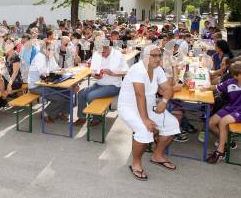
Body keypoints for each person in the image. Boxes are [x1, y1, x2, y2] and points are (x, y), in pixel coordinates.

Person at [118, 45, 180, 181]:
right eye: (154, 56)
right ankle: (136, 163)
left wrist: (163, 101)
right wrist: (145, 120)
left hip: (149, 106)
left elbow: (168, 89)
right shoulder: (137, 70)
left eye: (159, 55)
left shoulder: (158, 69)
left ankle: (157, 155)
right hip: (129, 107)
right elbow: (140, 95)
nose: (158, 59)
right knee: (144, 130)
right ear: (145, 57)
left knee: (172, 125)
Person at [204, 62, 241, 164]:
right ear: (235, 76)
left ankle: (220, 152)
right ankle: (227, 142)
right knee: (210, 123)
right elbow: (215, 87)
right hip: (232, 108)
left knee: (223, 121)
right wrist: (203, 87)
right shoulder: (230, 83)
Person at [75, 40, 128, 126]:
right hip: (99, 84)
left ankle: (97, 118)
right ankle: (82, 117)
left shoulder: (118, 55)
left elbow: (126, 71)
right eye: (100, 52)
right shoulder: (97, 54)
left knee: (91, 95)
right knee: (81, 93)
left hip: (114, 86)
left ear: (108, 48)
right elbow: (92, 70)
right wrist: (95, 75)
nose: (101, 54)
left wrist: (113, 73)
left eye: (103, 52)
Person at [28, 41, 74, 123]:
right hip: (36, 86)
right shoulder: (40, 57)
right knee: (60, 98)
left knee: (69, 92)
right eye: (49, 49)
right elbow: (44, 73)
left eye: (53, 49)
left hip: (47, 84)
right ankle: (45, 113)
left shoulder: (50, 56)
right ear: (44, 49)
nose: (51, 51)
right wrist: (57, 72)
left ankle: (61, 112)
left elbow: (55, 68)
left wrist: (61, 70)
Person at [0, 37, 23, 107]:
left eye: (9, 43)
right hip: (7, 78)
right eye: (6, 43)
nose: (7, 45)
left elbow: (15, 73)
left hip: (15, 80)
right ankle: (3, 98)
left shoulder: (16, 56)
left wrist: (9, 84)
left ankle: (3, 98)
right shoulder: (7, 54)